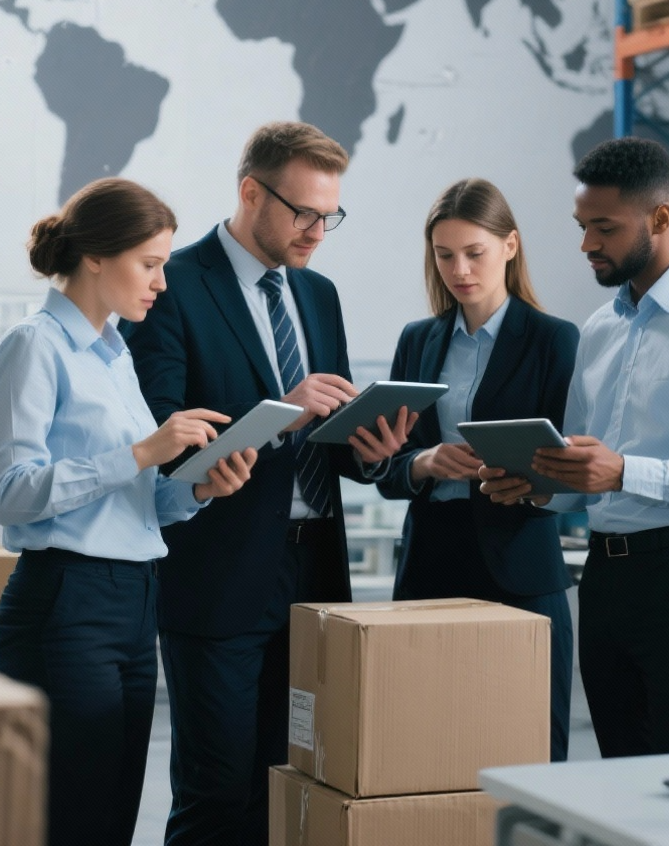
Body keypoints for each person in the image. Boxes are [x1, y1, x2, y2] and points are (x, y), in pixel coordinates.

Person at [127, 121, 408, 846]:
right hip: (220, 573)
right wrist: (280, 412)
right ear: (251, 192)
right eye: (303, 212)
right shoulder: (172, 285)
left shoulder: (320, 294)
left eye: (329, 216)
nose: (317, 232)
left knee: (299, 783)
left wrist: (373, 451)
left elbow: (327, 438)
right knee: (218, 793)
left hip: (316, 574)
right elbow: (162, 434)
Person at [0, 178, 258, 846]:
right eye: (150, 264)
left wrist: (196, 489)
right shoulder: (34, 346)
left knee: (112, 821)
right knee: (71, 821)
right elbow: (10, 493)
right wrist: (140, 452)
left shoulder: (115, 354)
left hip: (134, 602)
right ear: (97, 256)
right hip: (66, 604)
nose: (161, 283)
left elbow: (137, 503)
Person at [481, 137, 669, 759]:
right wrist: (538, 487)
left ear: (660, 218)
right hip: (606, 578)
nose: (587, 244)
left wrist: (623, 473)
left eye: (605, 228)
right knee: (619, 777)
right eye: (582, 226)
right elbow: (584, 474)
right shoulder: (600, 329)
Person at [375, 178, 579, 762]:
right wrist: (423, 462)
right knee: (425, 748)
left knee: (530, 747)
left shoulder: (554, 340)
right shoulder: (418, 341)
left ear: (510, 246)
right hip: (431, 562)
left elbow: (573, 471)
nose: (459, 270)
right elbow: (388, 467)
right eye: (444, 255)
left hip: (519, 564)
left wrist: (533, 487)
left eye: (474, 252)